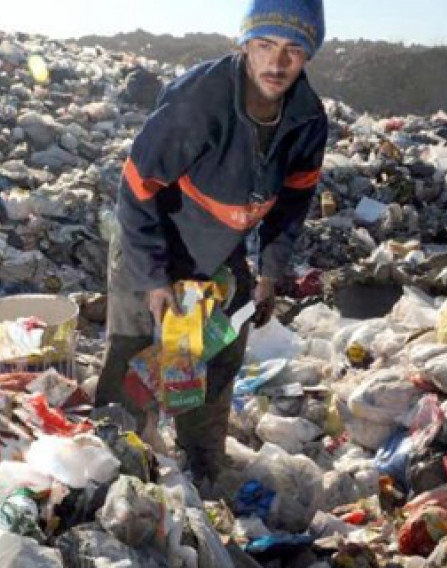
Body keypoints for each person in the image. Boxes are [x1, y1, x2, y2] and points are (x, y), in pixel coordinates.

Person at [95, 0, 329, 487]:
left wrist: (269, 274)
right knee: (136, 360)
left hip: (218, 256)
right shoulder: (198, 104)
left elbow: (292, 203)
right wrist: (155, 280)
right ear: (244, 43)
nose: (276, 63)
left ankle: (201, 464)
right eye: (265, 45)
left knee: (217, 355)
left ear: (308, 54)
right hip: (152, 246)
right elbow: (137, 192)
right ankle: (117, 470)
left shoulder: (306, 119)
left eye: (292, 49)